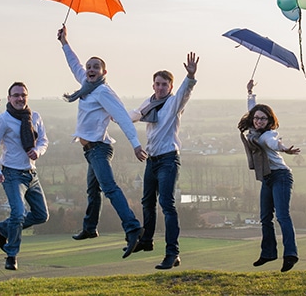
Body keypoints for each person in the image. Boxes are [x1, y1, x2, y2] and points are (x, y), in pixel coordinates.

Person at [57, 26, 148, 259]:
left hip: (99, 148)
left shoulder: (104, 92)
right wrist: (64, 42)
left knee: (109, 187)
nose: (90, 70)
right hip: (90, 150)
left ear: (104, 71)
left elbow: (122, 117)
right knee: (92, 189)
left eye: (95, 67)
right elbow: (74, 64)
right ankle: (89, 228)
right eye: (89, 67)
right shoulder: (86, 86)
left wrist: (136, 144)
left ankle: (133, 228)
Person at [127, 52, 199, 270]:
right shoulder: (149, 104)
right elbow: (134, 115)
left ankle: (172, 253)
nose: (160, 88)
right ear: (153, 85)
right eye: (157, 84)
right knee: (146, 202)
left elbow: (184, 93)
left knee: (167, 205)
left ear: (170, 86)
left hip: (168, 159)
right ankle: (147, 241)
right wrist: (114, 113)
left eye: (164, 84)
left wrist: (191, 77)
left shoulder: (173, 104)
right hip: (152, 160)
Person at [0, 82, 50, 271]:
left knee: (41, 215)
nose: (20, 98)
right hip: (11, 174)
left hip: (31, 173)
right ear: (9, 98)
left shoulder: (35, 117)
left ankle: (2, 230)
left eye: (23, 95)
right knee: (18, 213)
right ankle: (11, 255)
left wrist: (38, 151)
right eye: (16, 95)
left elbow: (44, 140)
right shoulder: (3, 120)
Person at [239, 80, 301, 272]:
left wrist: (284, 149)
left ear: (269, 121)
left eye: (263, 119)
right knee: (265, 217)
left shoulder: (267, 135)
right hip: (267, 177)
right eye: (257, 118)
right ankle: (268, 253)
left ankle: (290, 254)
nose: (259, 121)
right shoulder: (253, 130)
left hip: (280, 176)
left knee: (282, 216)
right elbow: (252, 109)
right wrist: (250, 92)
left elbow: (275, 143)